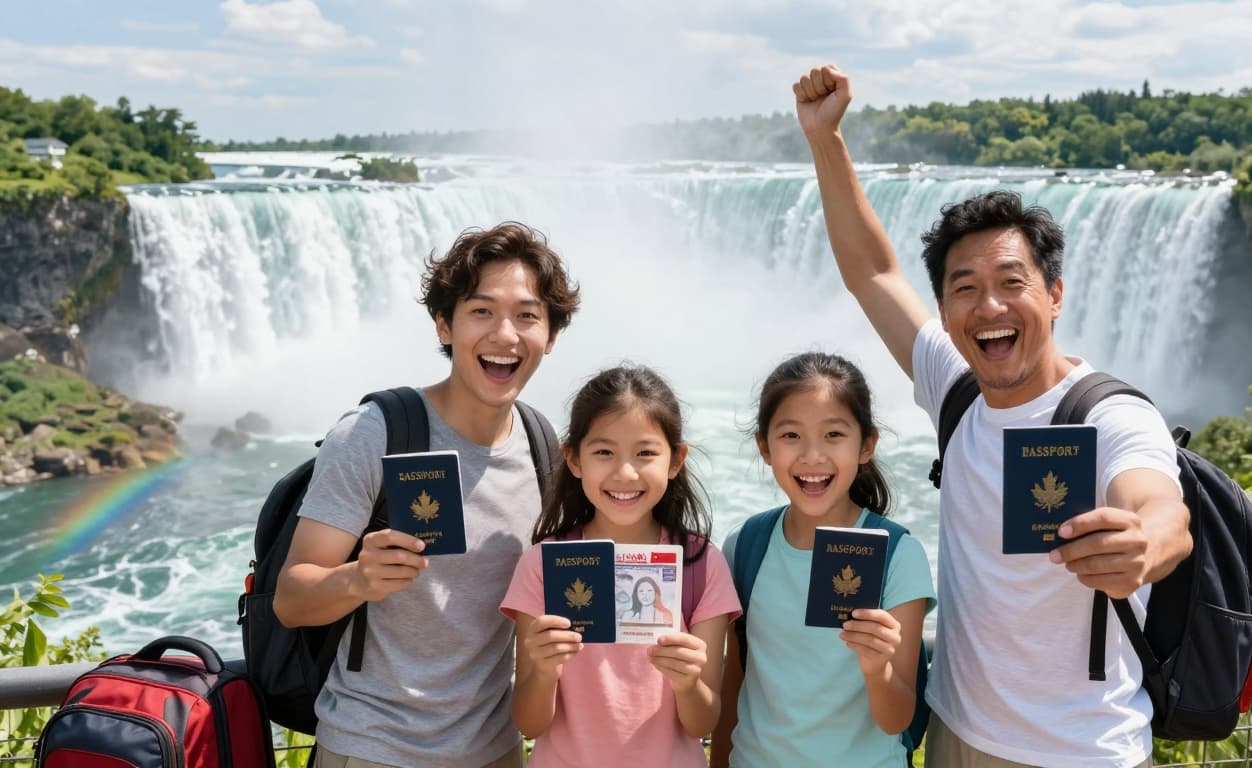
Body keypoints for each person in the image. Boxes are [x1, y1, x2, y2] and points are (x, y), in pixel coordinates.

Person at [791, 64, 1194, 768]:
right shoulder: (956, 387)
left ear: (1056, 295)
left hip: (1081, 751)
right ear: (945, 311)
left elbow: (1163, 511)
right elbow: (872, 274)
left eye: (1013, 284)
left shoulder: (1108, 415)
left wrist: (1141, 548)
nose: (990, 308)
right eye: (966, 289)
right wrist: (825, 139)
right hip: (956, 733)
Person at [272, 221, 581, 768]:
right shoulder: (373, 433)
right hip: (375, 746)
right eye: (481, 311)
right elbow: (291, 601)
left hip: (495, 747)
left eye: (527, 316)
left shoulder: (542, 447)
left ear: (551, 336)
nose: (505, 335)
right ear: (444, 325)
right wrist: (356, 578)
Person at [501, 364, 742, 767]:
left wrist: (688, 684)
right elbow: (529, 723)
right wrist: (543, 671)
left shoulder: (702, 564)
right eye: (604, 452)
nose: (625, 472)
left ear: (675, 459)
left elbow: (703, 722)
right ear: (574, 459)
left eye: (645, 452)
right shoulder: (544, 564)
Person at [711, 352, 935, 768]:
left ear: (866, 444)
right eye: (791, 436)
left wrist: (877, 667)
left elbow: (897, 719)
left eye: (834, 435)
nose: (812, 457)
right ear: (764, 446)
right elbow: (736, 682)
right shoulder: (744, 545)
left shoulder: (898, 555)